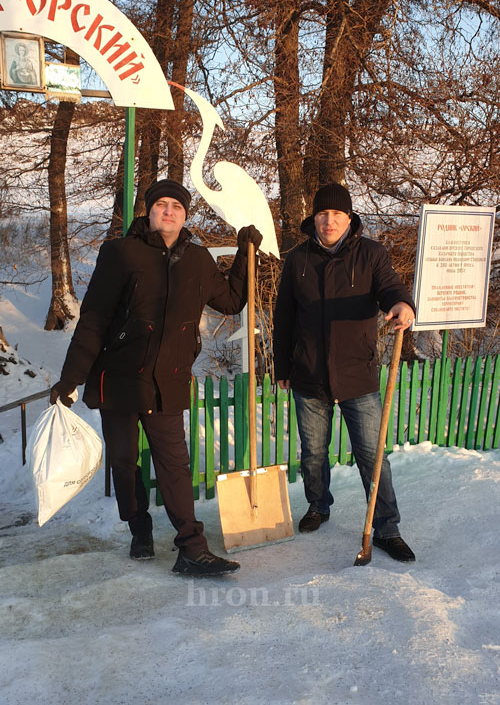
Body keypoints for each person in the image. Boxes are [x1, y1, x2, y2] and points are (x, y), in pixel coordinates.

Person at [51, 178, 262, 575]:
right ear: (148, 211)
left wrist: (245, 253)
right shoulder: (120, 254)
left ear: (185, 216)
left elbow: (233, 301)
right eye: (161, 204)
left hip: (167, 382)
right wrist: (70, 379)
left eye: (177, 207)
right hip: (118, 380)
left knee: (174, 464)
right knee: (125, 460)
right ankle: (139, 527)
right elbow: (93, 320)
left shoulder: (198, 260)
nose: (169, 211)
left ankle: (192, 547)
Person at [273, 182, 416, 562]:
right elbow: (284, 316)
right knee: (313, 454)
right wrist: (283, 365)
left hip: (357, 375)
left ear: (350, 219)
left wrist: (402, 305)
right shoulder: (298, 260)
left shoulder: (370, 255)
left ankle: (386, 527)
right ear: (314, 219)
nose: (329, 221)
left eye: (337, 214)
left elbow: (390, 288)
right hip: (309, 374)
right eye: (323, 214)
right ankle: (318, 505)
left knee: (372, 456)